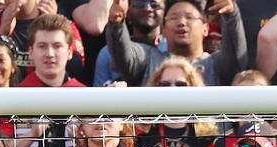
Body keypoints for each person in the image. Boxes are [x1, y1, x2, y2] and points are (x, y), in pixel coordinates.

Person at [105, 0, 247, 86]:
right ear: (163, 30)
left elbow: (236, 57)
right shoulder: (148, 59)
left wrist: (231, 16)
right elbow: (123, 56)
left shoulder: (216, 64)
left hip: (210, 136)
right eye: (173, 17)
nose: (181, 22)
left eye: (189, 17)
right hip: (156, 135)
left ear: (206, 29)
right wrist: (116, 25)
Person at [16, 14, 85, 147]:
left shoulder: (85, 96)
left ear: (70, 52)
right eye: (42, 46)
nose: (50, 54)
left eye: (57, 46)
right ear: (30, 51)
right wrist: (31, 135)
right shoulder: (14, 99)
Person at [94, 0, 166, 87]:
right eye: (140, 3)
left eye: (154, 4)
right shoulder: (107, 53)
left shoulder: (172, 50)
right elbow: (98, 96)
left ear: (165, 12)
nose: (147, 8)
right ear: (128, 12)